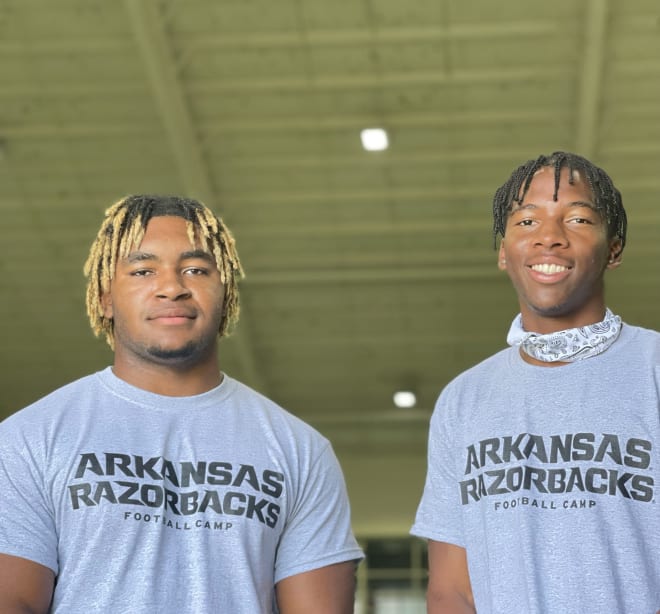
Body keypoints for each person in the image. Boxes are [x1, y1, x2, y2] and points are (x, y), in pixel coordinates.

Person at [0, 195, 363, 613]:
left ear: (225, 292)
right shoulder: (29, 438)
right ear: (105, 297)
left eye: (195, 270)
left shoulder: (299, 450)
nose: (172, 288)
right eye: (142, 271)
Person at [411, 151, 659, 613]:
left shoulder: (654, 369)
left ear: (614, 247)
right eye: (526, 222)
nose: (550, 237)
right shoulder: (464, 399)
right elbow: (452, 590)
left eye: (579, 219)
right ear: (504, 252)